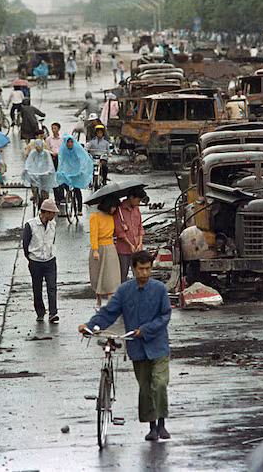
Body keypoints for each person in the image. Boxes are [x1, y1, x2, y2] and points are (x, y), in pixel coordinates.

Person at [78, 251, 171, 441]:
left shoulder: (160, 289)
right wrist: (90, 326)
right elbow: (108, 312)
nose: (145, 273)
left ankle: (162, 424)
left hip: (158, 345)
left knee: (159, 384)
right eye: (141, 269)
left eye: (148, 269)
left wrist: (145, 330)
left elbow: (165, 316)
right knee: (145, 387)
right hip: (137, 347)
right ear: (133, 269)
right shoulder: (124, 291)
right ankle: (152, 427)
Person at [22, 198, 60, 322]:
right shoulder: (30, 225)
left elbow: (52, 240)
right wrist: (31, 257)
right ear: (46, 212)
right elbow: (25, 244)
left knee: (52, 287)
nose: (54, 215)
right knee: (37, 288)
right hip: (35, 261)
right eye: (53, 213)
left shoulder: (53, 224)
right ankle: (40, 312)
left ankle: (53, 312)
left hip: (50, 260)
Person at [89, 195, 121, 308]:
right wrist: (95, 250)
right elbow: (93, 235)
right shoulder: (95, 217)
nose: (115, 209)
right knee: (98, 275)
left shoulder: (112, 217)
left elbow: (114, 233)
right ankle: (98, 299)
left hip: (110, 247)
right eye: (113, 207)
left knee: (111, 276)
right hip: (99, 248)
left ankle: (110, 303)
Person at [114, 187, 146, 283]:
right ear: (131, 197)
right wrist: (130, 245)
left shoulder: (136, 209)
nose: (138, 203)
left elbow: (140, 227)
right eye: (138, 200)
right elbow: (120, 232)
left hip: (137, 247)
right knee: (123, 274)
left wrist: (140, 243)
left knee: (139, 273)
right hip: (123, 248)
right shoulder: (119, 210)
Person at [56, 137, 93, 216]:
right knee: (63, 185)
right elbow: (61, 162)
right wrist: (60, 171)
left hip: (76, 172)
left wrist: (81, 170)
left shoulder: (77, 151)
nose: (70, 144)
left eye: (71, 142)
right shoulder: (64, 151)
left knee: (77, 190)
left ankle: (79, 209)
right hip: (67, 171)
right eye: (68, 142)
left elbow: (82, 160)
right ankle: (67, 198)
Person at [22, 139, 58, 206]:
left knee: (45, 189)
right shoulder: (33, 153)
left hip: (45, 172)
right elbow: (29, 162)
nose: (38, 148)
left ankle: (45, 201)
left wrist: (50, 170)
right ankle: (36, 197)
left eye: (39, 146)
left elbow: (50, 163)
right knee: (34, 184)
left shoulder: (46, 153)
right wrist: (26, 169)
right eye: (36, 146)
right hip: (35, 172)